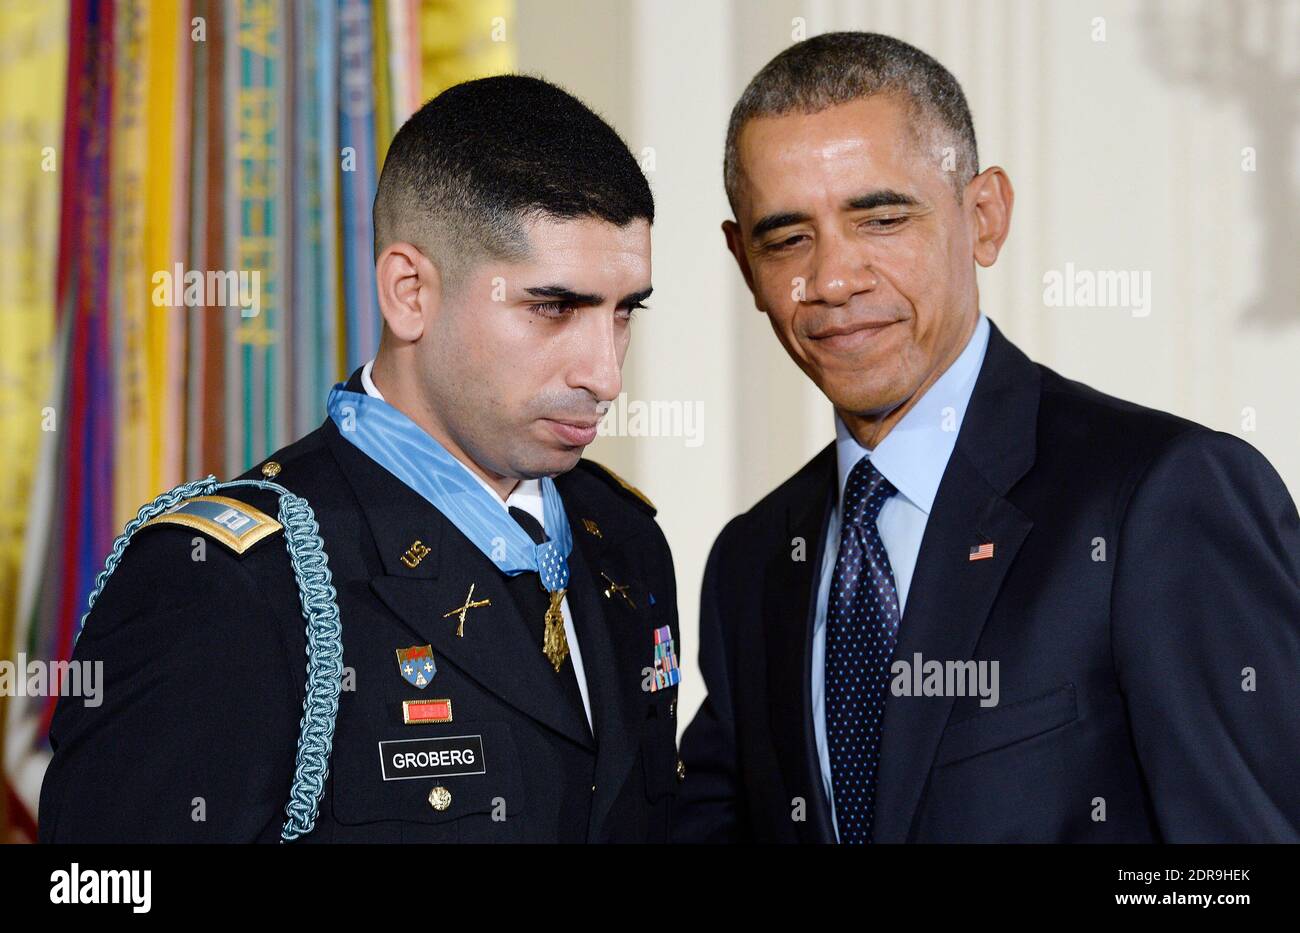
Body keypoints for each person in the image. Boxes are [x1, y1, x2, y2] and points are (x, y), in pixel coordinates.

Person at [675, 32, 1300, 843]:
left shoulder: (1163, 497)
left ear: (984, 218)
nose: (832, 279)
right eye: (787, 238)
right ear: (742, 262)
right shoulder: (752, 562)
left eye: (882, 217)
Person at [40, 75, 683, 843]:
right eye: (553, 307)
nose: (604, 374)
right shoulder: (229, 581)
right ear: (409, 291)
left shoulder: (625, 542)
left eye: (623, 313)